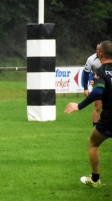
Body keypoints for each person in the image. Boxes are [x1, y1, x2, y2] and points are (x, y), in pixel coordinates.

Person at [64, 40, 112, 188]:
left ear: (100, 53)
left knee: (93, 143)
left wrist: (79, 106)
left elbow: (97, 92)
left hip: (110, 118)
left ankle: (95, 180)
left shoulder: (101, 71)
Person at [83, 43, 102, 127]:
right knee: (97, 106)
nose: (99, 51)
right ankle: (95, 128)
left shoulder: (109, 57)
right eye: (97, 49)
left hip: (108, 85)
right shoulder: (91, 59)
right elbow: (86, 74)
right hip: (97, 84)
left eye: (100, 49)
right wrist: (85, 88)